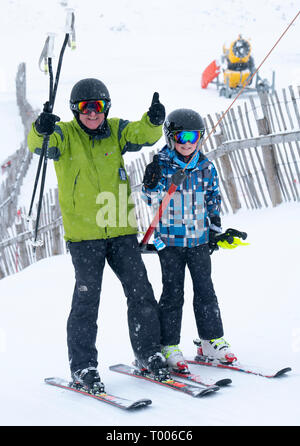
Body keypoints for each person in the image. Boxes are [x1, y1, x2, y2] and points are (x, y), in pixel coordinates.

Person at [27, 78, 171, 392]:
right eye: (85, 108)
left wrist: (154, 120)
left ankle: (149, 353)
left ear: (106, 108)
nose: (92, 113)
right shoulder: (63, 135)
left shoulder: (116, 131)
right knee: (87, 302)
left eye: (98, 107)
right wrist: (41, 128)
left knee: (141, 293)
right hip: (84, 237)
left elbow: (142, 134)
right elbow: (38, 145)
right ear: (75, 110)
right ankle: (83, 367)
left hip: (120, 229)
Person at [142, 108, 237, 373]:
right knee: (173, 293)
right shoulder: (161, 165)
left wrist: (215, 230)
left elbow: (212, 199)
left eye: (193, 136)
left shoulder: (206, 166)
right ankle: (169, 344)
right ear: (171, 137)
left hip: (198, 241)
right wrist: (151, 184)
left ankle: (211, 340)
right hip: (169, 242)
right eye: (181, 136)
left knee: (205, 290)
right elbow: (150, 199)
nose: (187, 142)